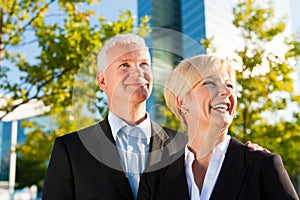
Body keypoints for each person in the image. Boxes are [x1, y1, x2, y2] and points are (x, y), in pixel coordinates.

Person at [42, 33, 187, 200]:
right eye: (125, 64)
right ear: (103, 81)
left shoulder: (181, 146)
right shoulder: (70, 150)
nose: (138, 72)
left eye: (144, 64)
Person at [137, 54, 299, 200]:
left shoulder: (262, 165)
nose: (225, 92)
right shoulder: (154, 177)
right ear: (182, 102)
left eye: (229, 86)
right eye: (209, 83)